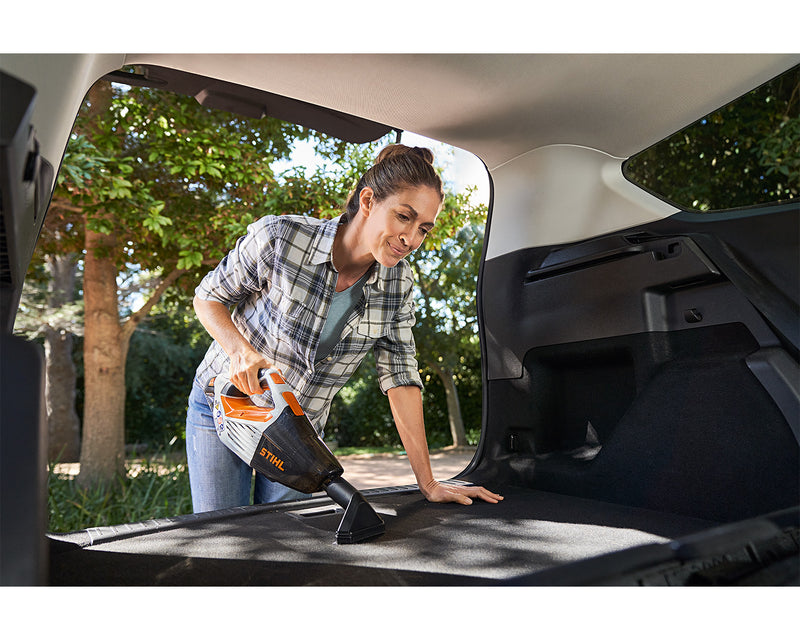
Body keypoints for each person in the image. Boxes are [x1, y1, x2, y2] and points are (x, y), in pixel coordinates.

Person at [185, 143, 503, 512]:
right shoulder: (281, 238)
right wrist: (240, 351)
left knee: (284, 541)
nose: (412, 239)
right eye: (404, 217)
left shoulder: (398, 284)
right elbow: (207, 297)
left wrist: (428, 483)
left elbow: (400, 376)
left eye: (424, 229)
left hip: (296, 434)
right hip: (223, 405)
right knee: (221, 539)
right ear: (368, 201)